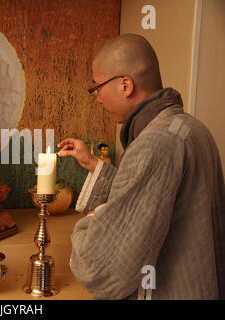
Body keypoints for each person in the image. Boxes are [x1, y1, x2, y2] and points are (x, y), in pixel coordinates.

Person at [58, 34, 224, 299]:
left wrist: (94, 220)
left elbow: (109, 268)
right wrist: (92, 163)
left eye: (97, 87)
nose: (97, 98)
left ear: (125, 85)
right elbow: (153, 197)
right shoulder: (191, 128)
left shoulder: (155, 142)